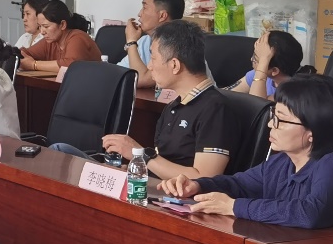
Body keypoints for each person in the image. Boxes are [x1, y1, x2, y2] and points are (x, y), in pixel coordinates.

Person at [161, 76, 333, 233]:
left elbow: (309, 213)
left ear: (312, 132)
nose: (270, 124)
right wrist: (198, 186)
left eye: (280, 120)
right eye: (273, 116)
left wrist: (234, 207)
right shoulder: (282, 163)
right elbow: (239, 184)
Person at [95, 20, 239, 181]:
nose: (149, 66)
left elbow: (204, 178)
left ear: (175, 65)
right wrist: (132, 170)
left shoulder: (215, 109)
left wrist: (140, 154)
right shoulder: (174, 106)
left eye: (153, 58)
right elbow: (163, 165)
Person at [119, 0, 185, 88]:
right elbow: (120, 73)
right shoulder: (145, 41)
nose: (139, 14)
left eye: (145, 8)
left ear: (162, 16)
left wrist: (131, 42)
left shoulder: (179, 44)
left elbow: (140, 79)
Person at [19, 0, 101, 73]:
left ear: (62, 25)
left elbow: (70, 65)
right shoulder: (50, 41)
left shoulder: (77, 37)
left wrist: (34, 65)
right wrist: (18, 56)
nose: (42, 32)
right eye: (40, 26)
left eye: (46, 26)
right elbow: (25, 53)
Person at [230, 29, 310, 100]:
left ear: (274, 71)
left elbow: (257, 105)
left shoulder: (292, 93)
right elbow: (227, 94)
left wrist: (263, 61)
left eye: (256, 59)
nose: (251, 59)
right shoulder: (258, 74)